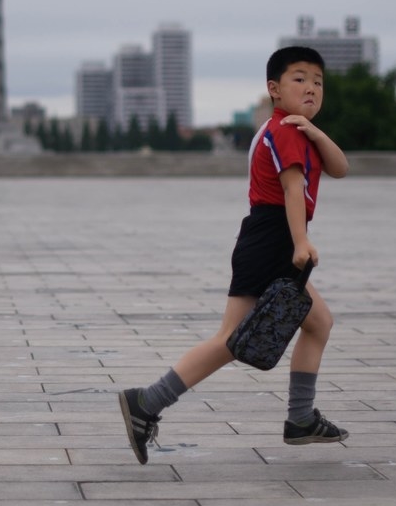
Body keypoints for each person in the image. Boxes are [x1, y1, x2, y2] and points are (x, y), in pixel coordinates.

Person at [118, 45, 351, 463]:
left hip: (269, 238)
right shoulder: (282, 132)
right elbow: (292, 190)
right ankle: (146, 402)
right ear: (274, 89)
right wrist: (300, 242)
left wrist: (317, 132)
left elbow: (340, 167)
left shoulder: (294, 131)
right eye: (299, 79)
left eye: (318, 82)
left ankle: (300, 418)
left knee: (317, 323)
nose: (312, 88)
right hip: (273, 238)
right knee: (231, 339)